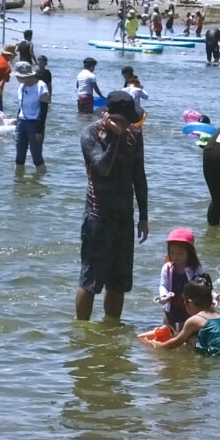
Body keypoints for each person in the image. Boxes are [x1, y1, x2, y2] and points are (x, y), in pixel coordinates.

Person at [75, 91, 149, 322]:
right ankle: (82, 330)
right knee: (90, 280)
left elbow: (139, 176)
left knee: (119, 282)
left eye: (129, 122)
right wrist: (115, 137)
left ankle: (111, 328)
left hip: (124, 217)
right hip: (98, 217)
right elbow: (102, 167)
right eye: (124, 122)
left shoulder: (134, 135)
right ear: (109, 117)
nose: (128, 126)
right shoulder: (90, 134)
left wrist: (144, 216)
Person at [144, 275, 220, 357]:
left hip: (219, 354)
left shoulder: (194, 320)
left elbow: (175, 343)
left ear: (189, 302)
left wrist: (155, 344)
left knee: (189, 341)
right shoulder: (217, 315)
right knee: (192, 336)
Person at [158, 227, 204, 331]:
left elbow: (202, 287)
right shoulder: (167, 268)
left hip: (187, 308)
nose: (175, 257)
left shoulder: (195, 269)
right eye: (172, 252)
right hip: (171, 307)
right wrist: (164, 295)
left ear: (189, 253)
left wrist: (213, 296)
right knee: (168, 331)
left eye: (180, 253)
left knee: (185, 335)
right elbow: (163, 285)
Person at [13, 61, 50, 171]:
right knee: (19, 158)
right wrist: (16, 126)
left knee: (37, 158)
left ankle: (40, 184)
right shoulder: (21, 87)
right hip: (21, 122)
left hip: (35, 123)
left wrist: (40, 130)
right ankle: (18, 184)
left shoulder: (41, 86)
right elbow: (20, 106)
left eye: (20, 77)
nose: (18, 79)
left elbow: (44, 111)